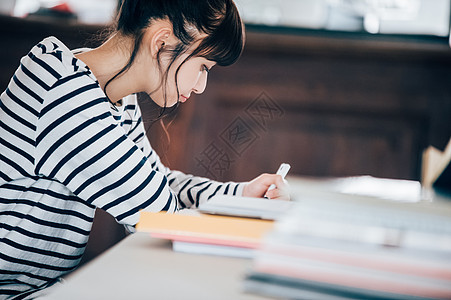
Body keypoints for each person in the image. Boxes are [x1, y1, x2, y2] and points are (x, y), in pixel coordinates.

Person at [0, 0, 289, 298]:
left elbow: (156, 182)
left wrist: (241, 196)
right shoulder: (67, 98)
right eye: (203, 66)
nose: (202, 85)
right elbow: (159, 214)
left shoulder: (105, 93)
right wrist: (268, 229)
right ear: (162, 41)